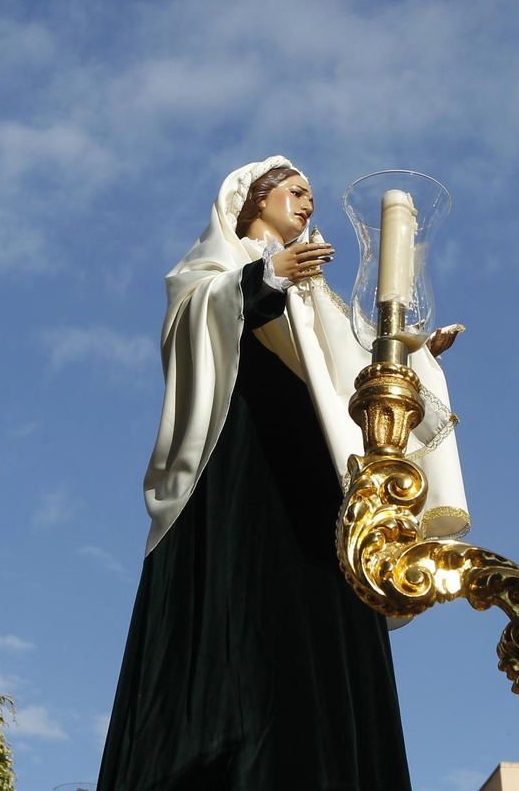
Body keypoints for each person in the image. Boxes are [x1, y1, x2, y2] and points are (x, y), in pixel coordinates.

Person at [96, 156, 469, 791]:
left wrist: (412, 361)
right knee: (245, 623)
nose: (306, 205)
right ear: (253, 198)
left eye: (310, 197)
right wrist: (262, 277)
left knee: (324, 622)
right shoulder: (215, 268)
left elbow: (349, 364)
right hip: (242, 466)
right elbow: (191, 322)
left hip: (318, 476)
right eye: (295, 192)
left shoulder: (315, 287)